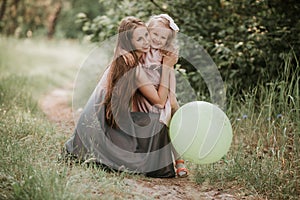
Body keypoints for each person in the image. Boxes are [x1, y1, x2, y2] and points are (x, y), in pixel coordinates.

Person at [64, 16, 178, 178]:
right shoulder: (132, 65)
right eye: (140, 38)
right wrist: (167, 67)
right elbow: (159, 101)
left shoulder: (127, 56)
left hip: (103, 117)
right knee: (154, 124)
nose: (146, 41)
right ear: (129, 42)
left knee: (151, 123)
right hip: (100, 121)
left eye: (146, 35)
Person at [122, 14, 188, 177]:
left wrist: (171, 98)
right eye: (155, 34)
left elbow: (169, 75)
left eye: (163, 37)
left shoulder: (166, 55)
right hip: (146, 95)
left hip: (163, 94)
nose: (158, 39)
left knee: (170, 124)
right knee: (148, 123)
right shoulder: (142, 51)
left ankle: (179, 160)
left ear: (168, 40)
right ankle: (143, 157)